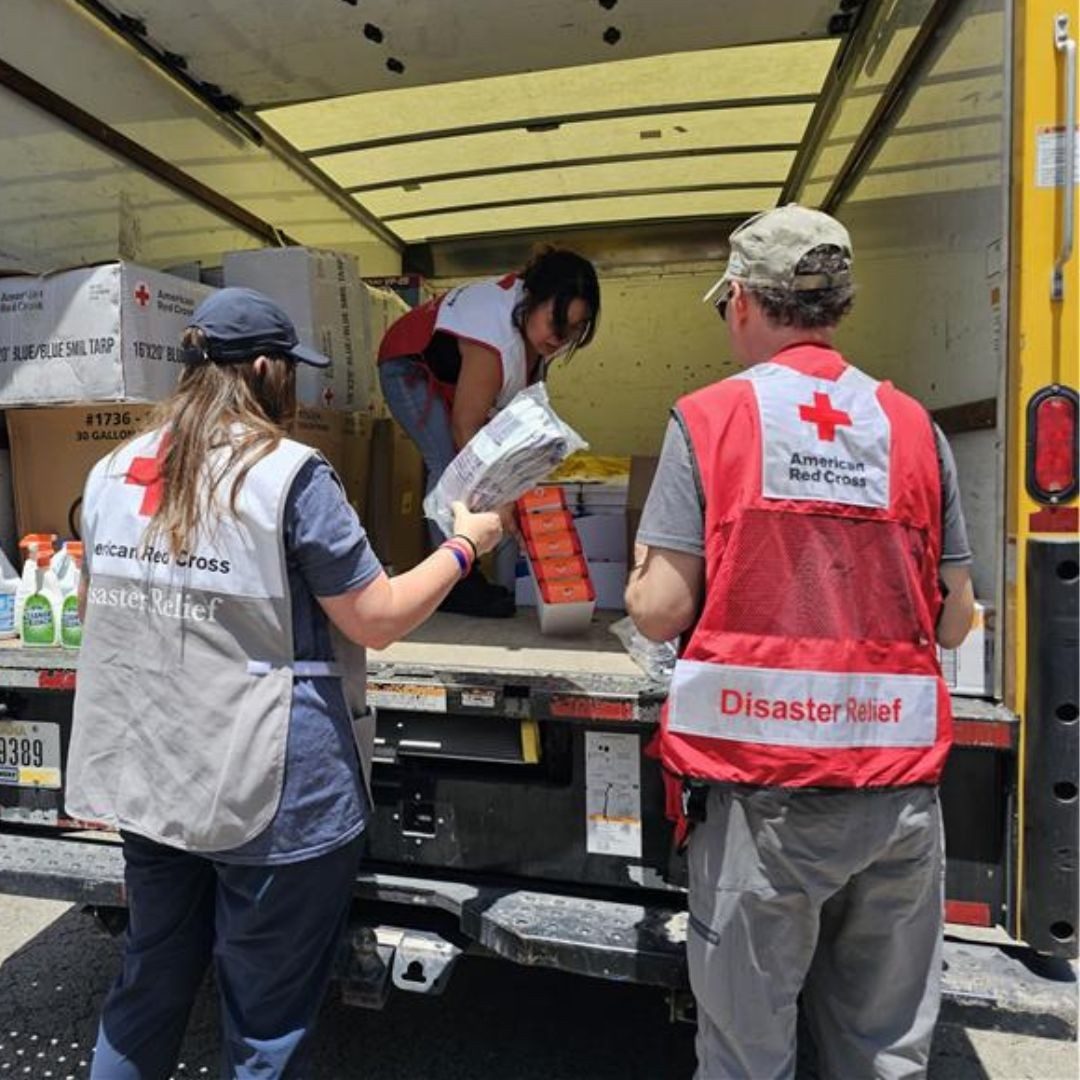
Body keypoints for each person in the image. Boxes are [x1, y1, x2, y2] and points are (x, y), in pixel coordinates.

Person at [65, 287, 502, 1079]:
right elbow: (374, 616)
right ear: (266, 369)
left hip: (154, 773)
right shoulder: (287, 474)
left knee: (147, 985)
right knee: (267, 1021)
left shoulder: (108, 473)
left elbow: (103, 613)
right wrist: (466, 547)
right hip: (275, 790)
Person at [625, 205, 975, 1080]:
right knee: (884, 1048)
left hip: (764, 790)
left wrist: (637, 580)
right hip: (898, 794)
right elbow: (954, 619)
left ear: (741, 300)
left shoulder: (710, 419)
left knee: (748, 1049)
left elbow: (663, 609)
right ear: (839, 306)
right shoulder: (914, 428)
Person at [378, 245, 600, 616]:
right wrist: (499, 499)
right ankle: (453, 584)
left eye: (575, 328)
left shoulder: (532, 338)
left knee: (504, 477)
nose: (561, 338)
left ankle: (488, 576)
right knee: (450, 463)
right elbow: (465, 427)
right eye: (556, 322)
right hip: (407, 367)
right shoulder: (492, 336)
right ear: (531, 299)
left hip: (454, 379)